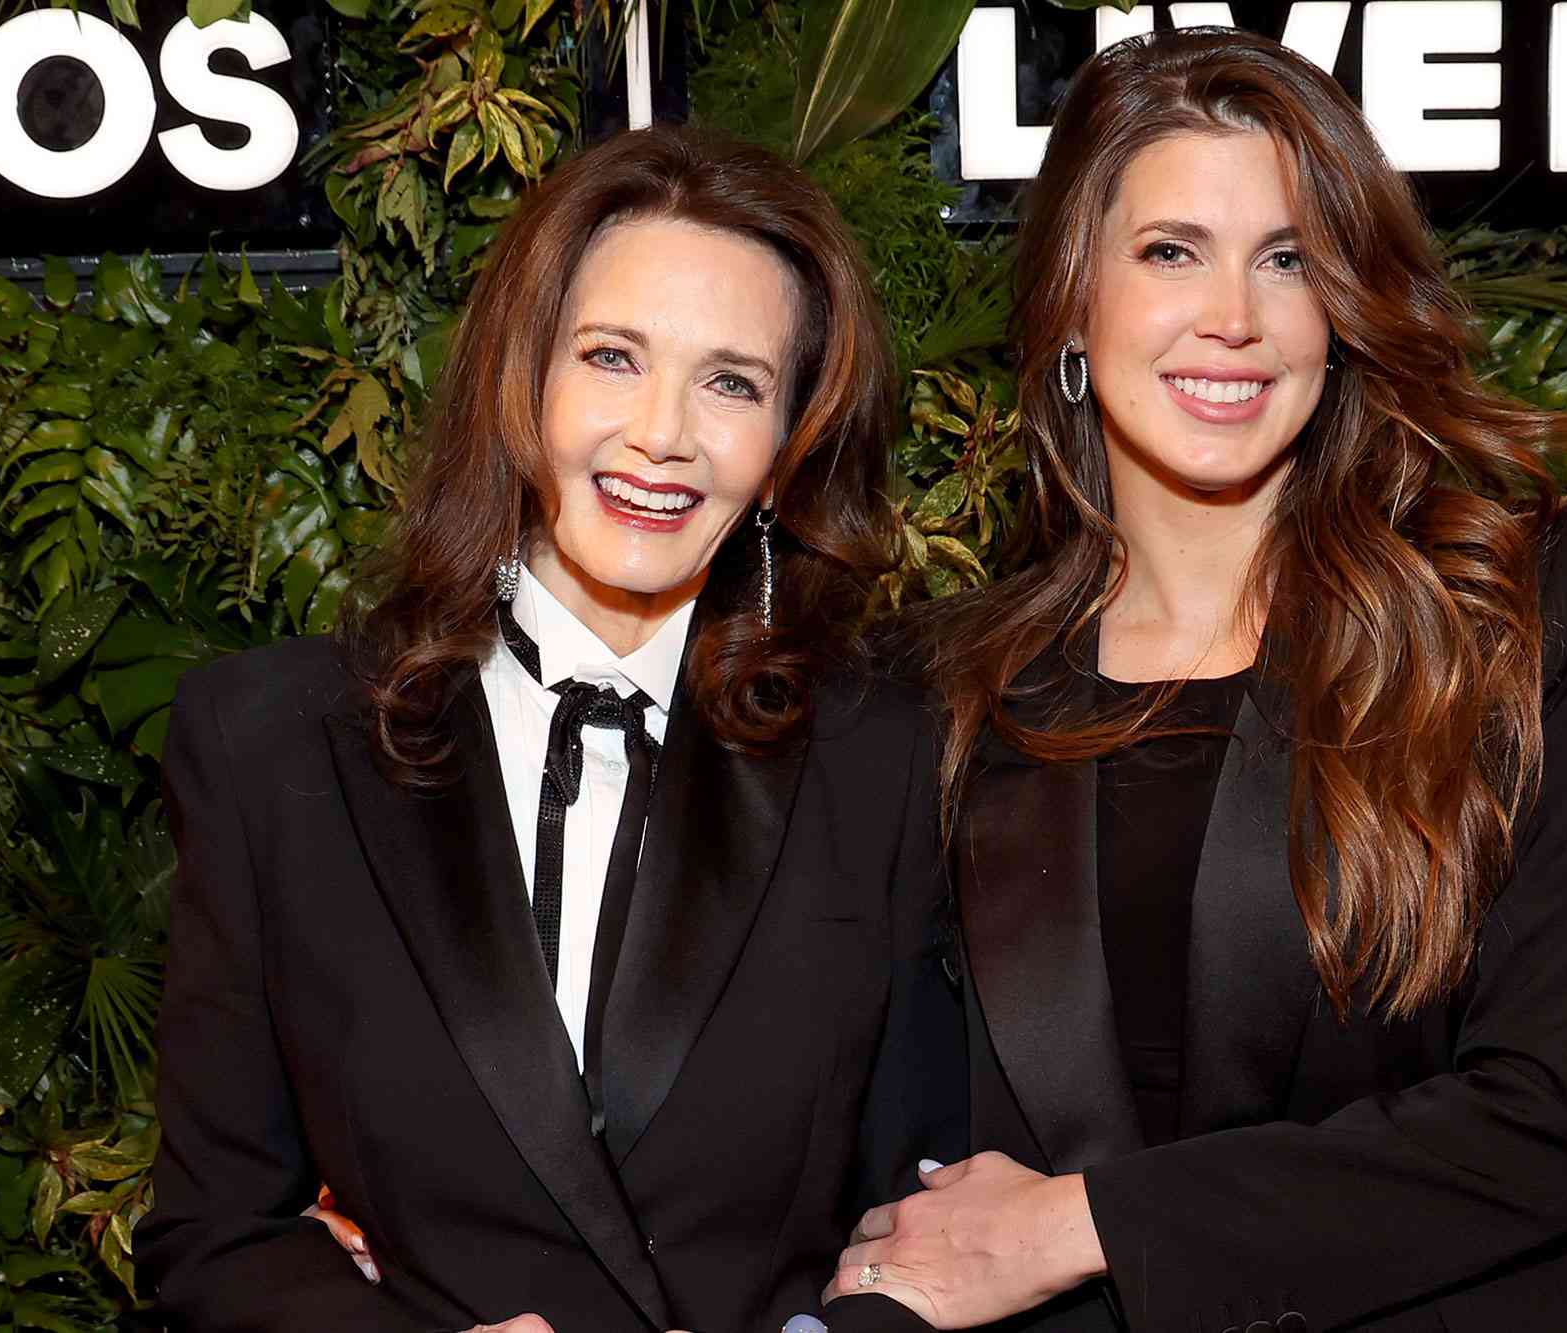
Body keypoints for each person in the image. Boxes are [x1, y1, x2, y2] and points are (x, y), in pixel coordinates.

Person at [821, 28, 1567, 1333]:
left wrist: (1079, 1223)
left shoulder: (1514, 611)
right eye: (1170, 253)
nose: (1236, 317)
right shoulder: (933, 694)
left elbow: (1546, 1123)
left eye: (1287, 260)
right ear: (1072, 308)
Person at [138, 125, 962, 1333]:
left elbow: (930, 1226)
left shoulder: (881, 759)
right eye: (611, 357)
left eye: (730, 381)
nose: (662, 434)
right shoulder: (274, 744)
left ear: (787, 447)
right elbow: (214, 1236)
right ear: (521, 378)